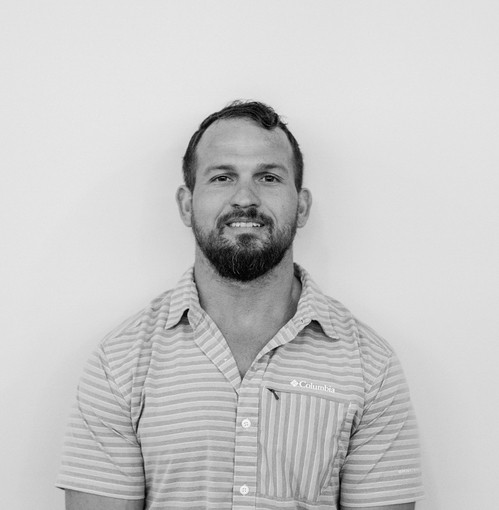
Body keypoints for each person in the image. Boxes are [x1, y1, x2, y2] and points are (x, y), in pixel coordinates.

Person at [56, 100, 424, 510]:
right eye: (222, 177)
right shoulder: (119, 364)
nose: (245, 198)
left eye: (268, 177)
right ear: (186, 204)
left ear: (302, 206)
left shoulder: (371, 367)